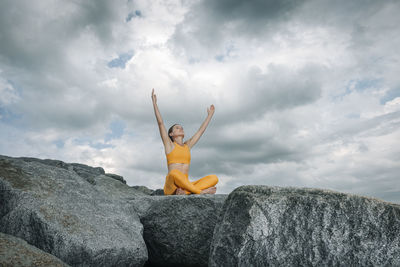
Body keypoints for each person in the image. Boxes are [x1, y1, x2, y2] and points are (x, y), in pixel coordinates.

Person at [151, 88, 218, 195]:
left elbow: (200, 131)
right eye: (177, 128)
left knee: (214, 178)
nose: (180, 128)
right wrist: (154, 103)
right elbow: (160, 123)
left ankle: (186, 192)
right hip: (171, 186)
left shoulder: (188, 145)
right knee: (174, 173)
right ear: (171, 134)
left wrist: (210, 115)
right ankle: (200, 192)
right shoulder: (169, 145)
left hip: (185, 185)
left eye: (181, 127)